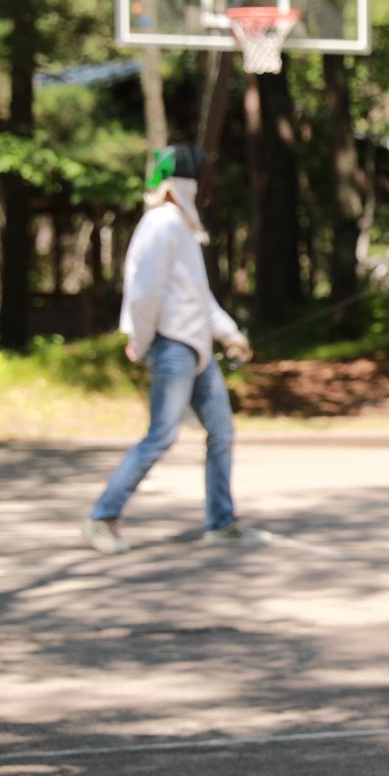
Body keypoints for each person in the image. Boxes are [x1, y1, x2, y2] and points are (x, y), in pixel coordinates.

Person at [81, 144, 254, 554]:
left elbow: (198, 295)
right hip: (173, 347)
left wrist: (230, 333)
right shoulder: (161, 224)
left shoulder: (181, 227)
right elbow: (144, 294)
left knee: (222, 432)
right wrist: (139, 341)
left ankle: (221, 521)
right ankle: (101, 517)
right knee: (160, 436)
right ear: (182, 184)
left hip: (197, 348)